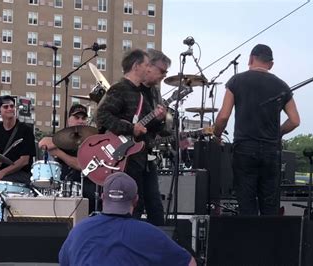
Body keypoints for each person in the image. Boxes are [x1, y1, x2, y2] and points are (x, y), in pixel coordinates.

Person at [213, 44, 300, 215]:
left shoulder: (236, 81)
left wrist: (216, 134)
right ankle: (269, 241)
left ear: (250, 59)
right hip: (270, 150)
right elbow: (295, 120)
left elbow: (223, 116)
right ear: (271, 64)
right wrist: (278, 133)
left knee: (246, 201)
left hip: (245, 149)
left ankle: (249, 240)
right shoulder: (282, 86)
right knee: (270, 203)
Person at [96, 48, 170, 225]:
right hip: (125, 158)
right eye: (146, 65)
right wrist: (130, 128)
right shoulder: (119, 89)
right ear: (137, 66)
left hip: (142, 156)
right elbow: (103, 116)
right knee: (134, 205)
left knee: (151, 204)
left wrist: (158, 120)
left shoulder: (145, 94)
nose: (148, 69)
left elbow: (145, 127)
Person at [59, 172, 196, 266]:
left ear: (102, 197)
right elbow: (190, 263)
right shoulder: (150, 234)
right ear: (136, 200)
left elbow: (64, 261)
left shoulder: (79, 230)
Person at [38, 104, 98, 213]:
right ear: (68, 120)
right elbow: (42, 143)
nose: (80, 121)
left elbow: (81, 165)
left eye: (83, 118)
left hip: (86, 184)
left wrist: (58, 153)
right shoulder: (62, 137)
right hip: (64, 183)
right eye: (76, 117)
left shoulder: (91, 141)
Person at [0, 95, 36, 184]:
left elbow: (24, 161)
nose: (10, 108)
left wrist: (2, 173)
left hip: (20, 174)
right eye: (5, 107)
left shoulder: (25, 130)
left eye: (12, 106)